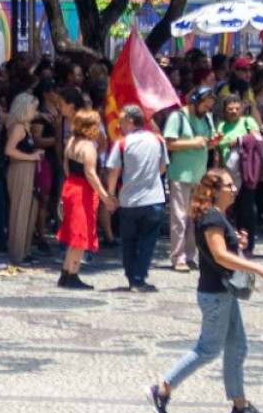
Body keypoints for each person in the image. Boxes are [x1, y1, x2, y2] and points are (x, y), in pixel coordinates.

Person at [150, 167, 263, 413]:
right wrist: (257, 268)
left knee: (237, 346)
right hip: (215, 295)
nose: (234, 189)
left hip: (224, 292)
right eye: (228, 186)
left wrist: (239, 243)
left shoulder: (219, 215)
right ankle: (163, 387)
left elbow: (225, 249)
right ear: (213, 191)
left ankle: (239, 403)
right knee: (209, 349)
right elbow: (220, 255)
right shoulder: (211, 217)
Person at [104, 106, 168, 292]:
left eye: (122, 121)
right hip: (153, 199)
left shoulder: (123, 143)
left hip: (129, 201)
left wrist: (111, 194)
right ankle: (139, 278)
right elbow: (163, 167)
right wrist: (150, 178)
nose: (120, 126)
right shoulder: (157, 140)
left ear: (131, 122)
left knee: (129, 241)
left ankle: (132, 277)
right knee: (147, 242)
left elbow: (113, 170)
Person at [56, 109, 114, 290]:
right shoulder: (88, 147)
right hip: (82, 191)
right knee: (80, 234)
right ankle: (73, 273)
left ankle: (65, 273)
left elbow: (66, 164)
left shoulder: (72, 141)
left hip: (70, 185)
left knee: (72, 232)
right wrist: (105, 196)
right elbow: (90, 174)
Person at [162, 86, 216, 273]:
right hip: (180, 174)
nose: (206, 110)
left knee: (195, 217)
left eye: (209, 107)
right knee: (179, 216)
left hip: (199, 175)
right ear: (194, 102)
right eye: (204, 106)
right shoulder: (178, 117)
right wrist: (192, 143)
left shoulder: (207, 118)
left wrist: (213, 142)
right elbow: (167, 143)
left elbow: (206, 142)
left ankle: (191, 256)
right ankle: (178, 257)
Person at [213, 93, 263, 252]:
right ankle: (230, 244)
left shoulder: (248, 121)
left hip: (245, 173)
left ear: (241, 108)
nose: (234, 111)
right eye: (230, 109)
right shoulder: (221, 125)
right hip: (227, 174)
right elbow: (217, 148)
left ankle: (247, 247)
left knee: (246, 209)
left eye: (237, 108)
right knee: (227, 208)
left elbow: (257, 138)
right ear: (225, 110)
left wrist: (239, 141)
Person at [1, 93, 44, 267]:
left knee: (29, 210)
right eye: (33, 107)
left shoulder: (25, 126)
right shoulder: (18, 127)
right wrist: (32, 157)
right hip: (20, 170)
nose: (36, 110)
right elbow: (9, 151)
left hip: (28, 169)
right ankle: (17, 254)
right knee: (20, 211)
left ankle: (25, 251)